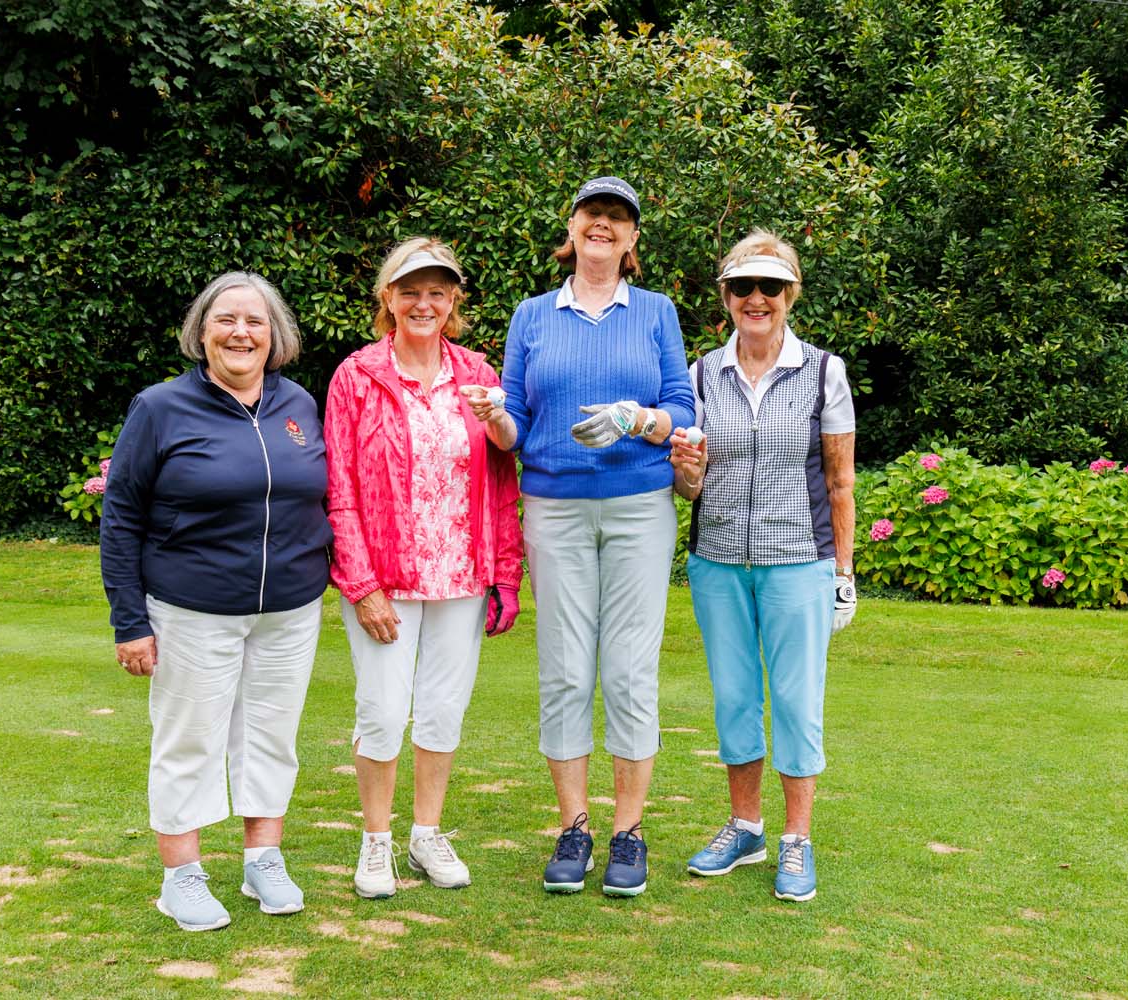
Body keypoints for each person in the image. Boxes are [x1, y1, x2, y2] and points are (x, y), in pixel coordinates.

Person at [464, 176, 693, 897]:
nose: (603, 224)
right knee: (565, 669)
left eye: (618, 217)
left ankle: (629, 833)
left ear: (632, 238)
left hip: (638, 506)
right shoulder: (533, 315)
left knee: (628, 671)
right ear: (572, 228)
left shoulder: (656, 312)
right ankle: (574, 828)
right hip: (555, 509)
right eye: (593, 213)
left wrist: (638, 419)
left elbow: (681, 407)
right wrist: (495, 417)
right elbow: (516, 425)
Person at [100, 271, 331, 931]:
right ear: (201, 332)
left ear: (274, 335)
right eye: (226, 319)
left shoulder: (298, 404)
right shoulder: (160, 408)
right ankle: (182, 878)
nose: (240, 332)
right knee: (190, 741)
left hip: (289, 610)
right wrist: (129, 621)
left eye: (255, 321)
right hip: (192, 607)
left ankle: (264, 860)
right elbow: (121, 518)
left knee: (272, 736)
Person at [326, 238, 523, 900]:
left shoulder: (476, 372)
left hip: (461, 575)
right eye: (409, 290)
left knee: (443, 710)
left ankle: (426, 834)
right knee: (383, 712)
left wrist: (504, 575)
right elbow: (339, 488)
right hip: (386, 579)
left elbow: (502, 479)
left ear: (453, 301)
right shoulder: (357, 375)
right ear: (387, 298)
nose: (423, 303)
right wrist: (361, 585)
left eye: (437, 292)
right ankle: (375, 840)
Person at [668, 230, 857, 903]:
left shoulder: (824, 371)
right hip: (717, 561)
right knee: (734, 698)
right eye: (743, 286)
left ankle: (796, 838)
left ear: (790, 294)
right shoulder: (698, 375)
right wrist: (687, 473)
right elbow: (688, 487)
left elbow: (839, 481)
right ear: (726, 296)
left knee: (799, 702)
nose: (757, 298)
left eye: (770, 287)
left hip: (799, 562)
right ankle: (745, 827)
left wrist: (843, 573)